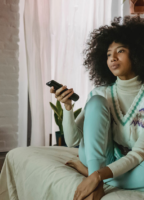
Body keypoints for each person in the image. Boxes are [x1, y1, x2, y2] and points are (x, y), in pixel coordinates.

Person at [50, 15, 144, 200]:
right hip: (101, 159)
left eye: (121, 51)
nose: (113, 58)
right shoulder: (100, 93)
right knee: (96, 103)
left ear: (138, 53)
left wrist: (96, 176)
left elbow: (139, 153)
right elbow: (73, 140)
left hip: (134, 163)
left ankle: (91, 173)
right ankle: (95, 172)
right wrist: (68, 108)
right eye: (108, 54)